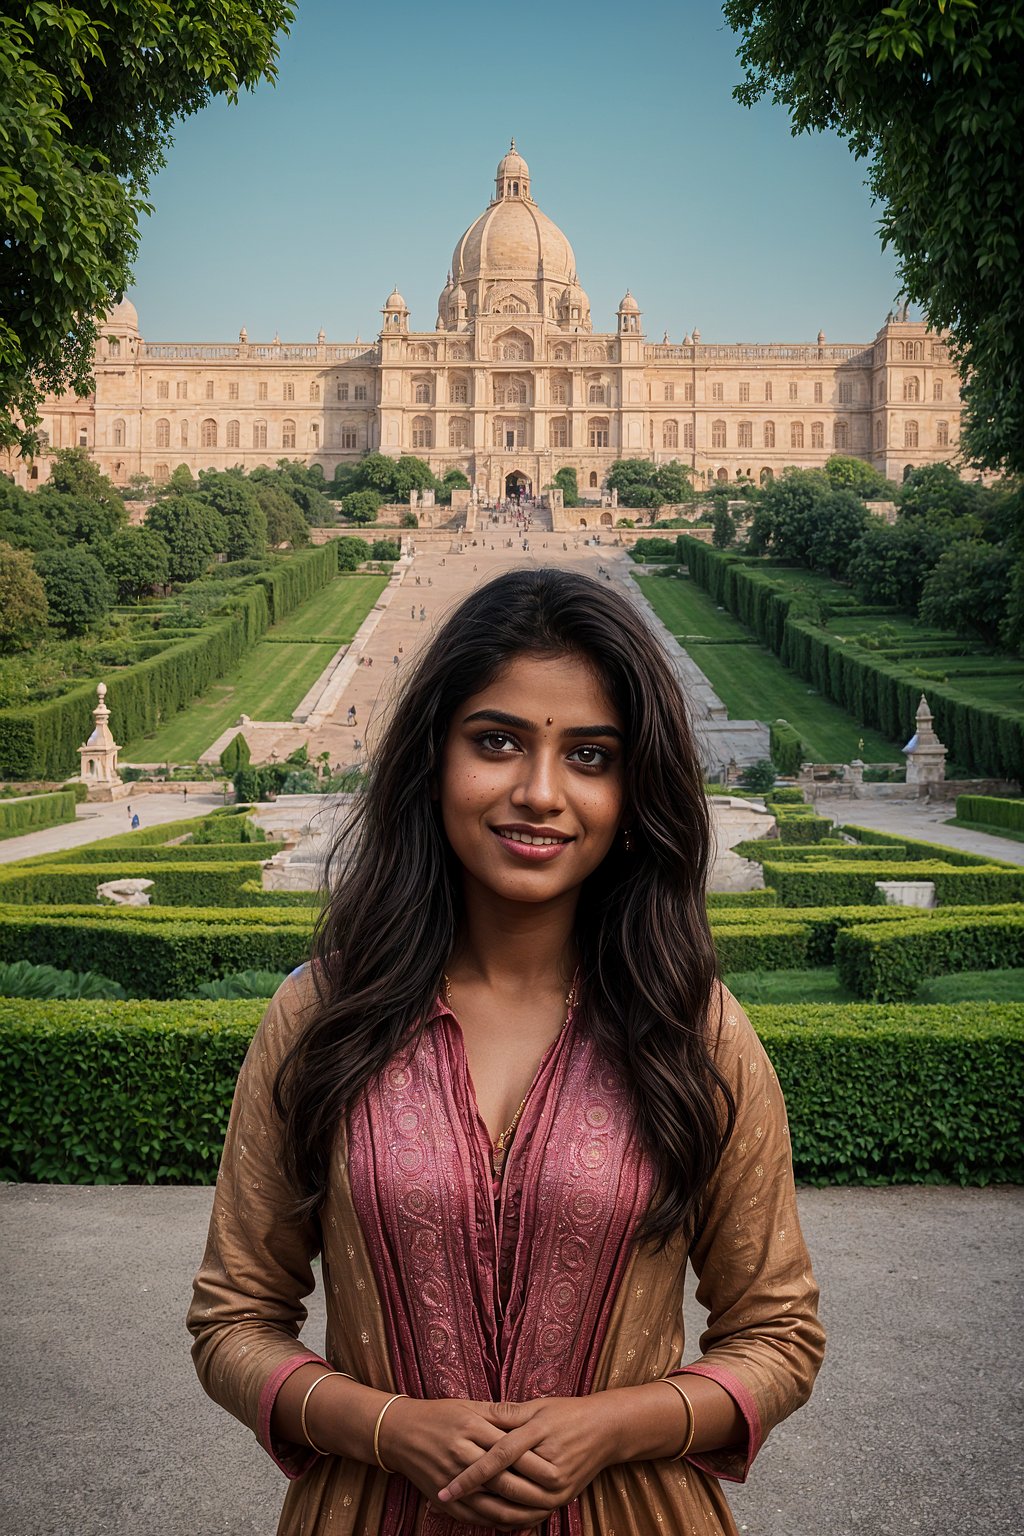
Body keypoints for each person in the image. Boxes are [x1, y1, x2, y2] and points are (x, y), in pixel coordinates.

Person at [188, 569, 824, 1536]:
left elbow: (779, 1335)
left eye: (591, 756)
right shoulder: (320, 1015)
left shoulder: (696, 1030)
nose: (539, 793)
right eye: (497, 743)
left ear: (633, 786)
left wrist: (610, 1425)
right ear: (433, 757)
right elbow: (232, 1319)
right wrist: (386, 1425)